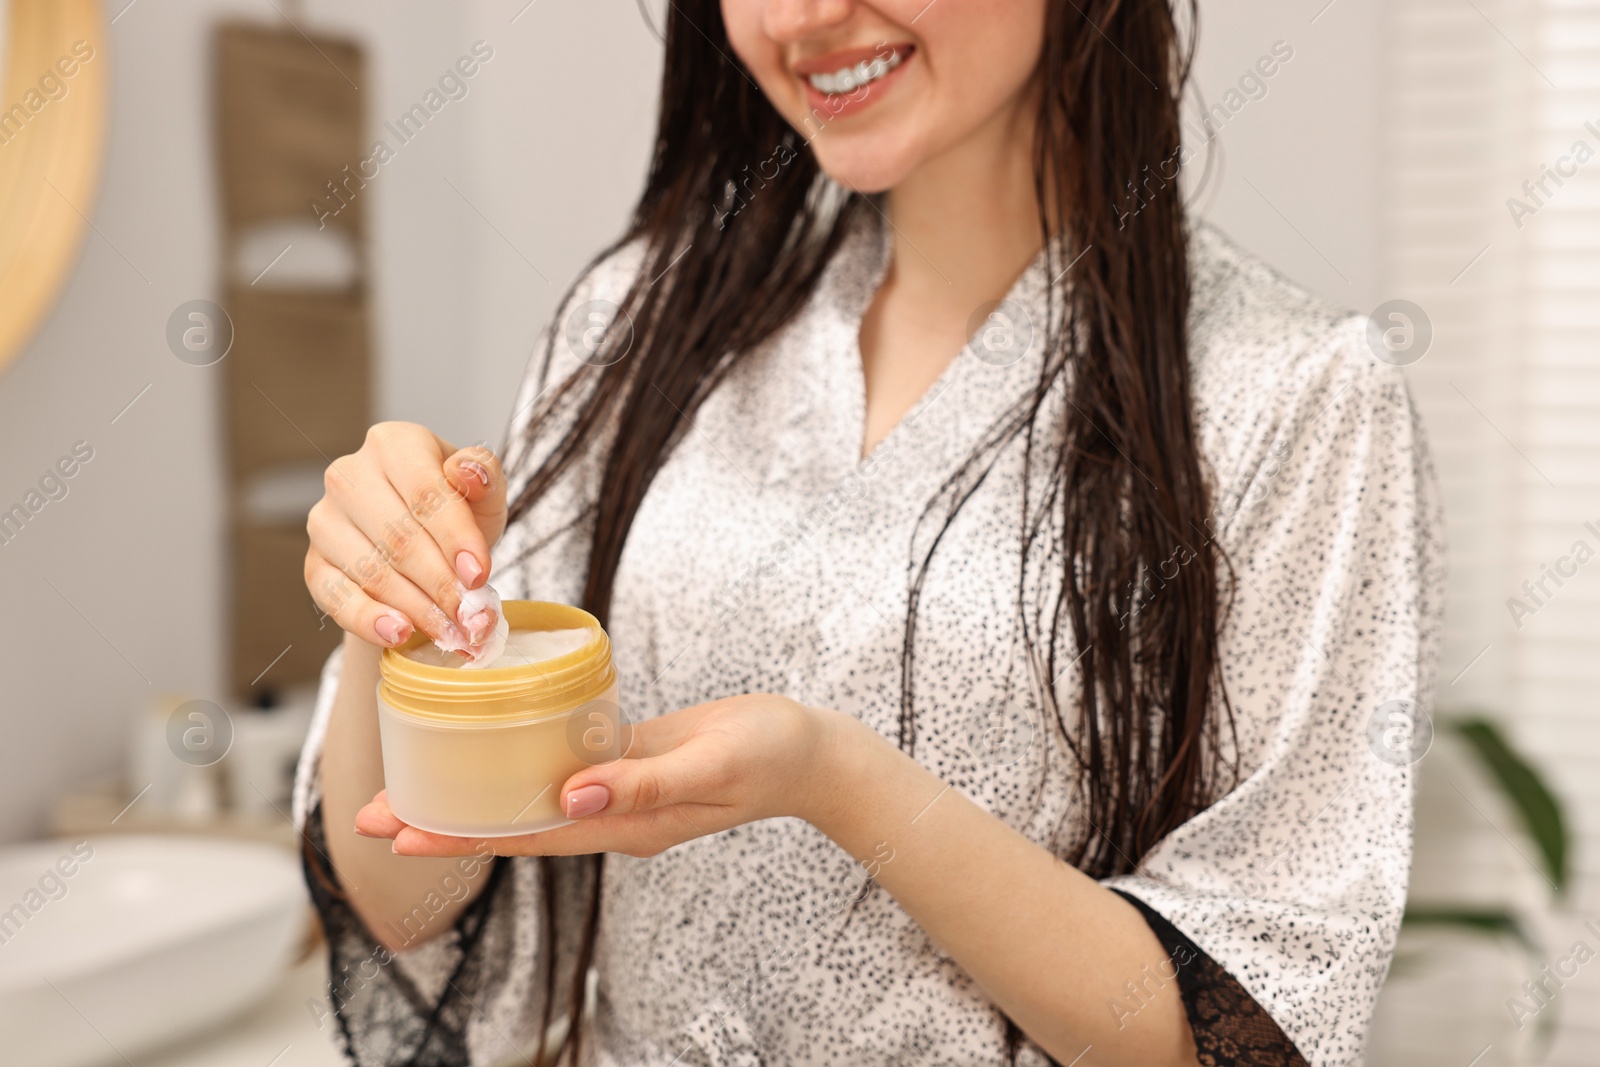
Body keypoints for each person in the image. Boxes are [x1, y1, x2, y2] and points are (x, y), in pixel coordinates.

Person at [292, 2, 1446, 1065]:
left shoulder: (1294, 396)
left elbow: (1228, 1030)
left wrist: (831, 777)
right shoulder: (635, 324)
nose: (798, 16)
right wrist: (391, 609)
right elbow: (410, 907)